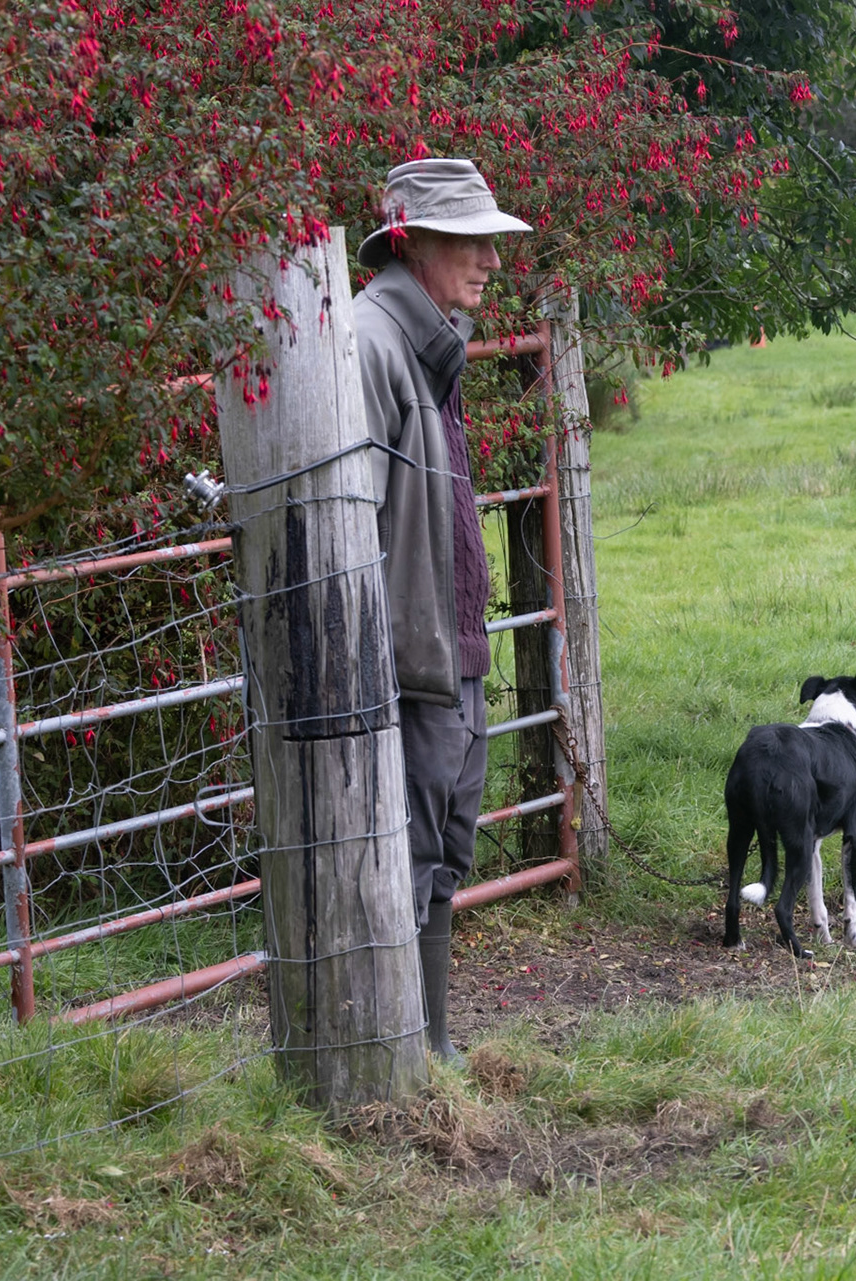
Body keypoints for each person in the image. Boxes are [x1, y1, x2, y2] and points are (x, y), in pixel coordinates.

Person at [354, 158, 530, 1065]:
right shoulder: (372, 344)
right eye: (473, 240)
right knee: (411, 856)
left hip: (452, 653)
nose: (491, 263)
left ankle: (433, 1051)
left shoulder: (426, 343)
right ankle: (402, 1059)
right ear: (412, 241)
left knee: (444, 855)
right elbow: (352, 541)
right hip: (411, 660)